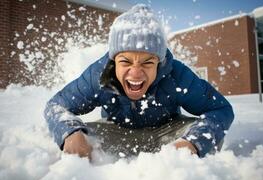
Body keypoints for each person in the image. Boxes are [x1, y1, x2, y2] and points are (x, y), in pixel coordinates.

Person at [44, 4, 234, 160]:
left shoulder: (177, 74)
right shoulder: (98, 76)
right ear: (113, 61)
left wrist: (192, 143)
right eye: (125, 61)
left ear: (159, 63)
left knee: (201, 131)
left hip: (167, 134)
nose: (135, 73)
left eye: (147, 62)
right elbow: (56, 106)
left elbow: (220, 109)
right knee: (83, 135)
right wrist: (71, 134)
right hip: (118, 133)